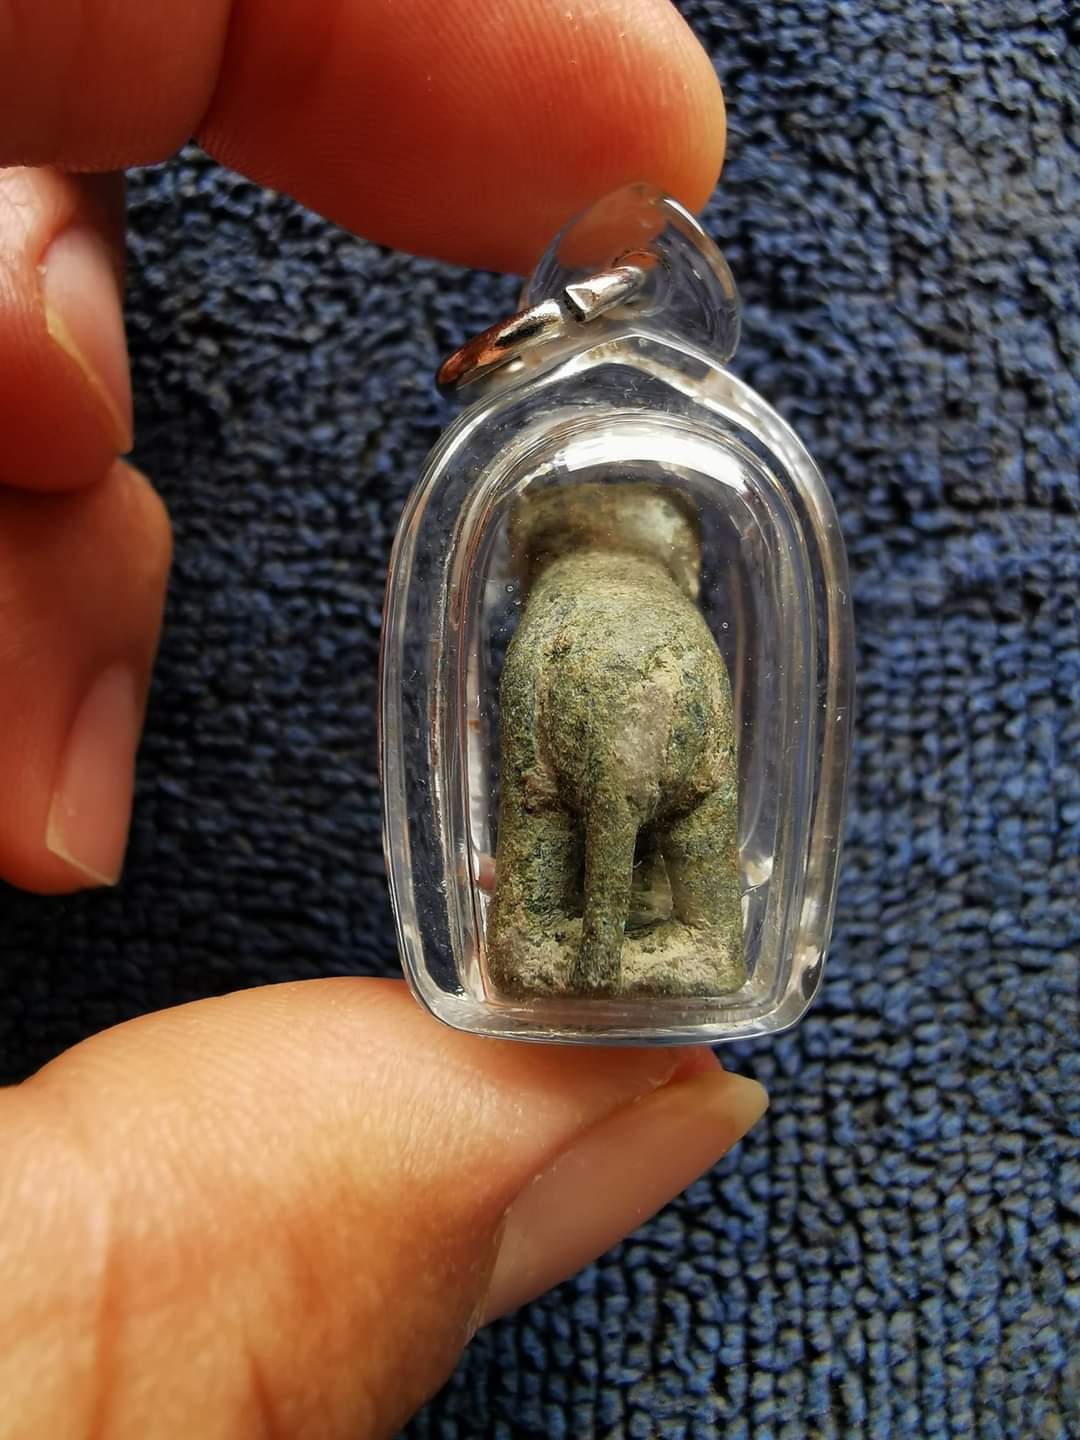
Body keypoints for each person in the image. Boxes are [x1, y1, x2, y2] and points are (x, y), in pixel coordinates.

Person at [0, 2, 768, 1434]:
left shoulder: (553, 600)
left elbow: (545, 783)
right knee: (660, 831)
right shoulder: (665, 590)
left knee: (567, 836)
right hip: (671, 728)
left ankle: (574, 932)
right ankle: (667, 930)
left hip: (583, 722)